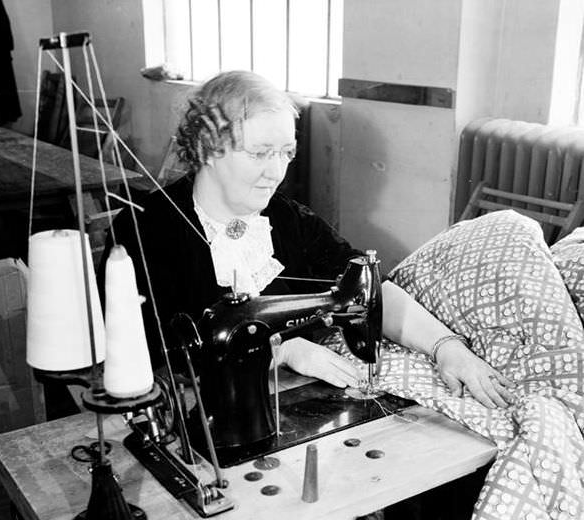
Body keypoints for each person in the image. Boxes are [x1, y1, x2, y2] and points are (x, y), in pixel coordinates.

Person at [101, 70, 515, 409]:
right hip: (200, 415)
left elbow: (366, 290)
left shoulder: (288, 219)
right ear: (209, 149)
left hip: (293, 400)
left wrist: (447, 348)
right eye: (260, 153)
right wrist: (283, 352)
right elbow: (156, 352)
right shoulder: (145, 230)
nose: (275, 171)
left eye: (286, 153)